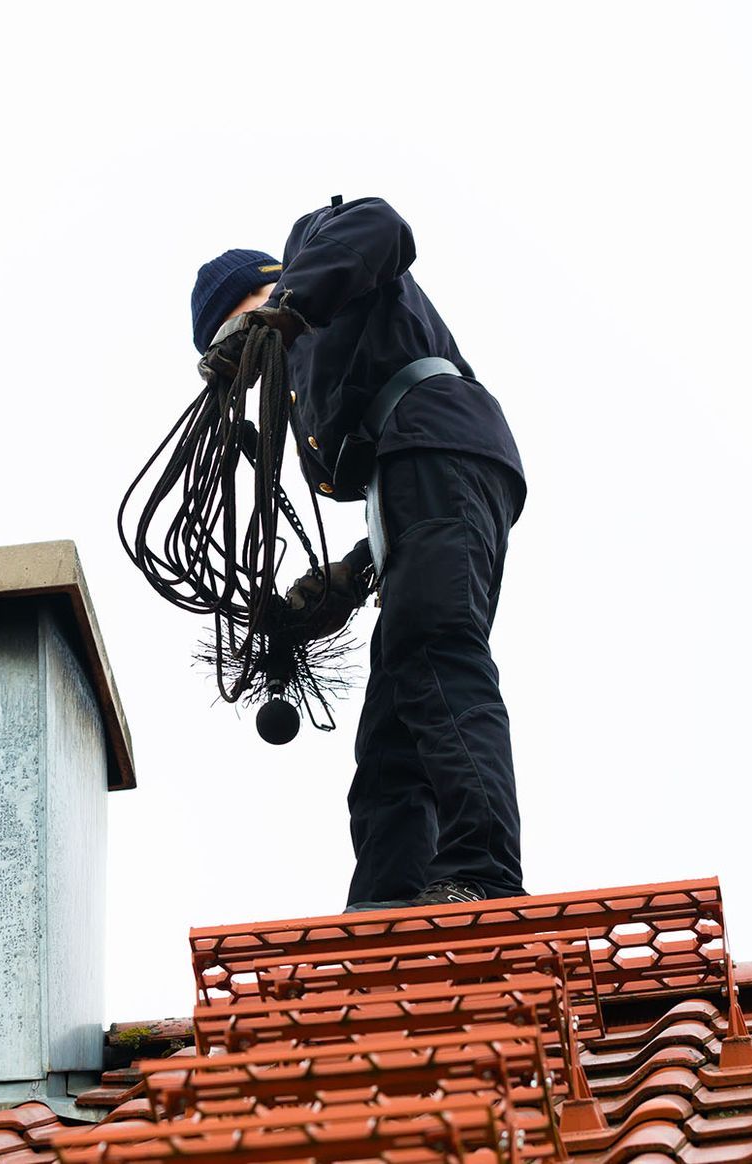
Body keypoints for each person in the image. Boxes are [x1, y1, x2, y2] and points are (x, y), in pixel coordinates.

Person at [189, 196, 527, 909]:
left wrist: (285, 309)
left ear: (255, 296)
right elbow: (397, 484)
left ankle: (482, 874)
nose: (248, 361)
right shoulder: (317, 390)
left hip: (439, 441)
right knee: (389, 732)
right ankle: (384, 908)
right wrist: (351, 576)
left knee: (434, 651)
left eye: (234, 332)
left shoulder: (314, 254)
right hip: (417, 477)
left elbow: (382, 223)